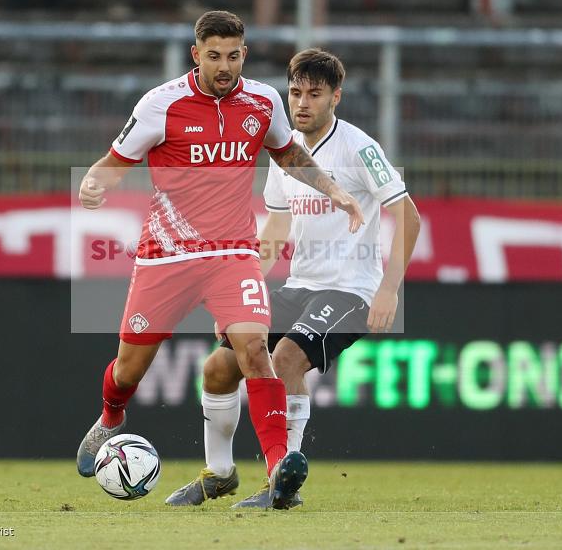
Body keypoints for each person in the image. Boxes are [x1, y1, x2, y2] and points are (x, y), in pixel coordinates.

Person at [75, 12, 365, 510]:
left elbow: (288, 155)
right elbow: (116, 161)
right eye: (214, 56)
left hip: (232, 253)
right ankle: (111, 417)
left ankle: (278, 468)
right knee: (128, 370)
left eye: (233, 56)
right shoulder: (161, 104)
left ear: (244, 54)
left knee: (254, 350)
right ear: (196, 55)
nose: (224, 66)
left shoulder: (263, 101)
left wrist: (332, 189)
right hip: (166, 256)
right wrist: (93, 182)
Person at [165, 48, 420, 508]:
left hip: (351, 291)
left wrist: (389, 289)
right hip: (300, 285)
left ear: (336, 97)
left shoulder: (359, 148)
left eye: (314, 94)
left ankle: (282, 482)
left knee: (285, 358)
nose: (302, 103)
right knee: (218, 368)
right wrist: (240, 294)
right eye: (295, 92)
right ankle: (218, 473)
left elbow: (409, 216)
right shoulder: (285, 155)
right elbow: (276, 230)